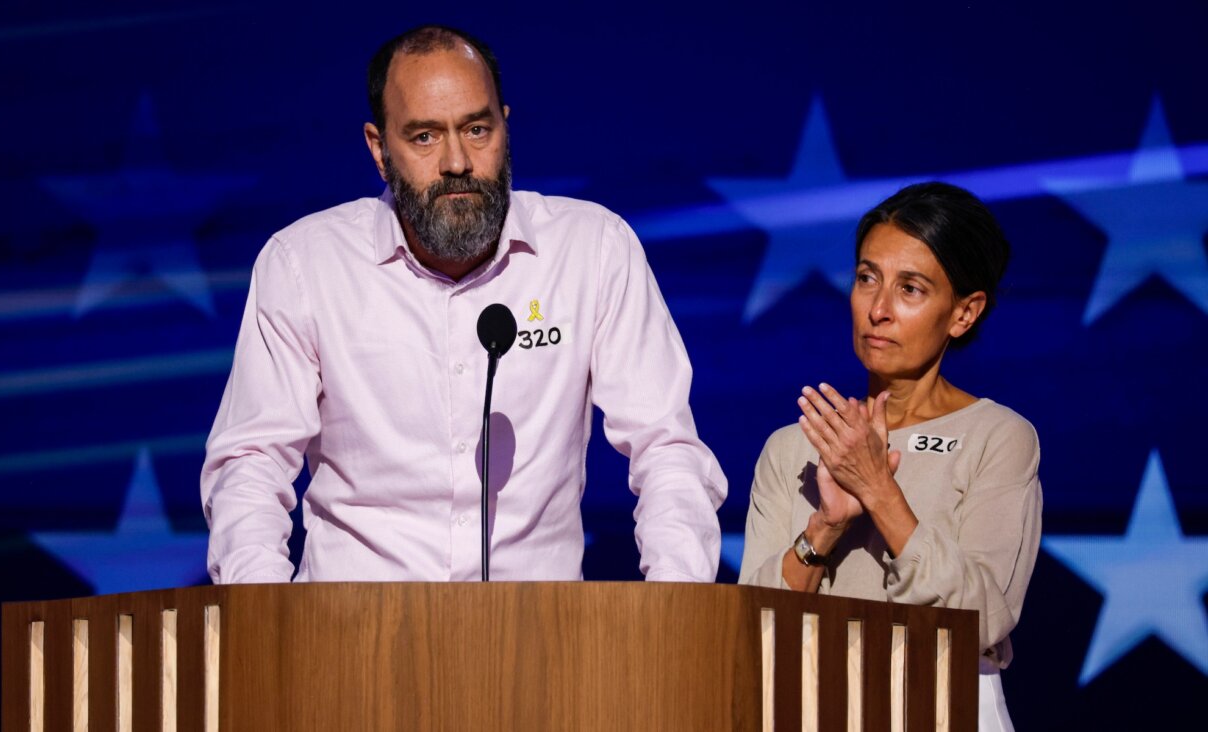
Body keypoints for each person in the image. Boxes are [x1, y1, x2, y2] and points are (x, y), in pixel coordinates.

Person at [201, 25, 726, 584]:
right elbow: (251, 467)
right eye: (424, 137)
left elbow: (666, 448)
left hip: (541, 644)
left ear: (505, 125)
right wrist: (271, 630)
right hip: (349, 643)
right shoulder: (304, 265)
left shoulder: (592, 250)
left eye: (477, 129)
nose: (457, 161)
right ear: (379, 150)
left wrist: (677, 607)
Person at [739, 182, 1041, 730]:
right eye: (866, 278)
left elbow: (985, 619)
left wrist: (879, 490)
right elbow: (750, 627)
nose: (878, 309)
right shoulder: (794, 447)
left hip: (945, 704)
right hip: (809, 702)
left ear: (964, 313)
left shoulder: (998, 437)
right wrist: (824, 531)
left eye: (911, 289)